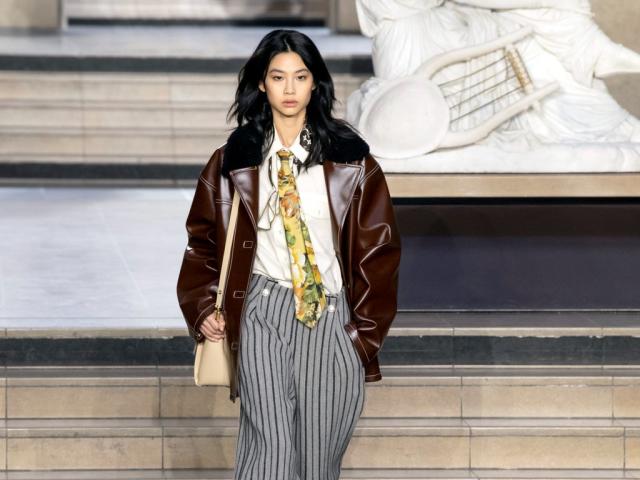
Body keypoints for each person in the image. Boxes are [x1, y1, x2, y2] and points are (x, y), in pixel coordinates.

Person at [175, 29, 402, 480]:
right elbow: (202, 242)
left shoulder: (352, 162)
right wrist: (202, 306)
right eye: (278, 77)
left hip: (331, 317)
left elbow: (380, 253)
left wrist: (361, 339)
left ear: (315, 82)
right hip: (262, 309)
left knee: (318, 461)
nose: (290, 89)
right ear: (262, 83)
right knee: (270, 452)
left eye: (300, 77)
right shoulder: (231, 161)